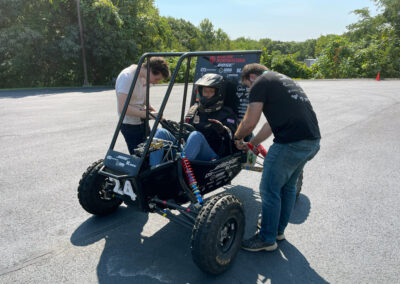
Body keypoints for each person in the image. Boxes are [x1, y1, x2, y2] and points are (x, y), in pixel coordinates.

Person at [234, 63, 321, 252]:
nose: (250, 90)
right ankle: (277, 232)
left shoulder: (259, 83)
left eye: (247, 86)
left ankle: (266, 239)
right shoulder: (282, 79)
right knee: (287, 188)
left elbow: (249, 122)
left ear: (251, 78)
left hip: (291, 144)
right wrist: (253, 143)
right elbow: (270, 125)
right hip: (311, 142)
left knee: (268, 190)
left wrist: (238, 137)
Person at [149, 73, 238, 165]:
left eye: (211, 91)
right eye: (205, 91)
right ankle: (154, 168)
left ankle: (178, 169)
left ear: (218, 93)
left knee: (196, 135)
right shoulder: (194, 110)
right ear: (200, 91)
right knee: (160, 132)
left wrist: (222, 129)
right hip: (188, 151)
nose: (207, 94)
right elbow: (181, 130)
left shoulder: (226, 113)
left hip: (211, 156)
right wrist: (164, 121)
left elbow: (233, 138)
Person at [115, 57, 170, 154]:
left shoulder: (144, 78)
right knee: (139, 158)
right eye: (156, 79)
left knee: (152, 152)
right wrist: (149, 115)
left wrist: (157, 114)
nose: (156, 82)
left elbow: (144, 101)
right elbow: (123, 108)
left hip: (142, 123)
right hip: (130, 125)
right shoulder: (127, 77)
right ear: (151, 70)